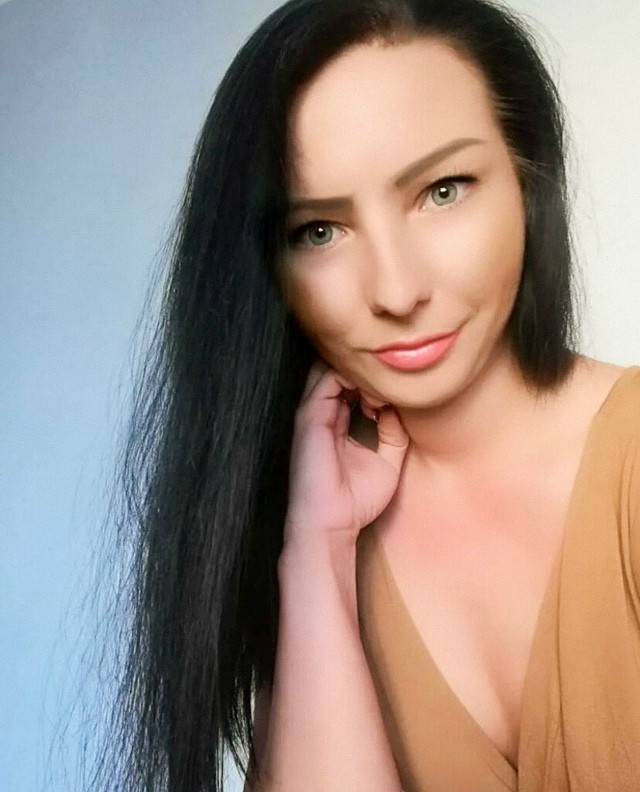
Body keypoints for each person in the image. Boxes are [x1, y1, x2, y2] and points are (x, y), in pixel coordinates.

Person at [100, 1, 640, 791]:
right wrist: (314, 552)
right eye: (319, 231)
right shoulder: (316, 559)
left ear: (528, 177)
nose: (395, 289)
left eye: (443, 190)